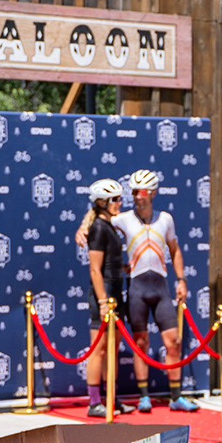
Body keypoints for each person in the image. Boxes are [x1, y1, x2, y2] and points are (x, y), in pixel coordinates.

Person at [108, 170, 198, 414]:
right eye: (134, 192)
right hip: (137, 287)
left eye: (143, 192)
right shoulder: (124, 219)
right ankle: (144, 396)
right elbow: (100, 222)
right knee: (140, 342)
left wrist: (181, 280)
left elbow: (175, 250)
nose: (138, 196)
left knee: (173, 342)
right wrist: (83, 228)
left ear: (153, 193)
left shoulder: (165, 219)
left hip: (160, 287)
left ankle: (176, 396)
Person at [81, 178, 127, 418]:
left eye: (120, 198)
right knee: (98, 349)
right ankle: (94, 402)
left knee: (112, 350)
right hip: (104, 293)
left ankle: (111, 398)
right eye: (115, 200)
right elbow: (95, 270)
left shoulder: (109, 225)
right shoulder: (98, 227)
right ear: (101, 202)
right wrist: (101, 301)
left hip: (116, 291)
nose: (120, 203)